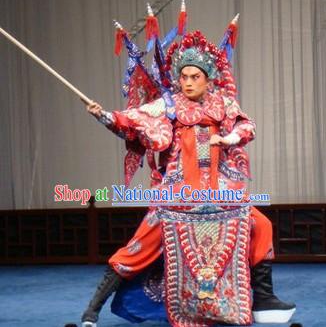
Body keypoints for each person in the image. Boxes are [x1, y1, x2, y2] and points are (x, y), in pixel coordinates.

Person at [80, 29, 296, 327]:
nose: (189, 82)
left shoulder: (224, 104)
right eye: (184, 77)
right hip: (177, 193)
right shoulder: (167, 105)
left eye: (196, 77)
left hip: (222, 191)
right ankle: (93, 308)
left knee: (261, 225)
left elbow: (248, 127)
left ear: (207, 79)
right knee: (138, 247)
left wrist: (228, 137)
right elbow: (132, 119)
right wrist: (104, 115)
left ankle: (264, 298)